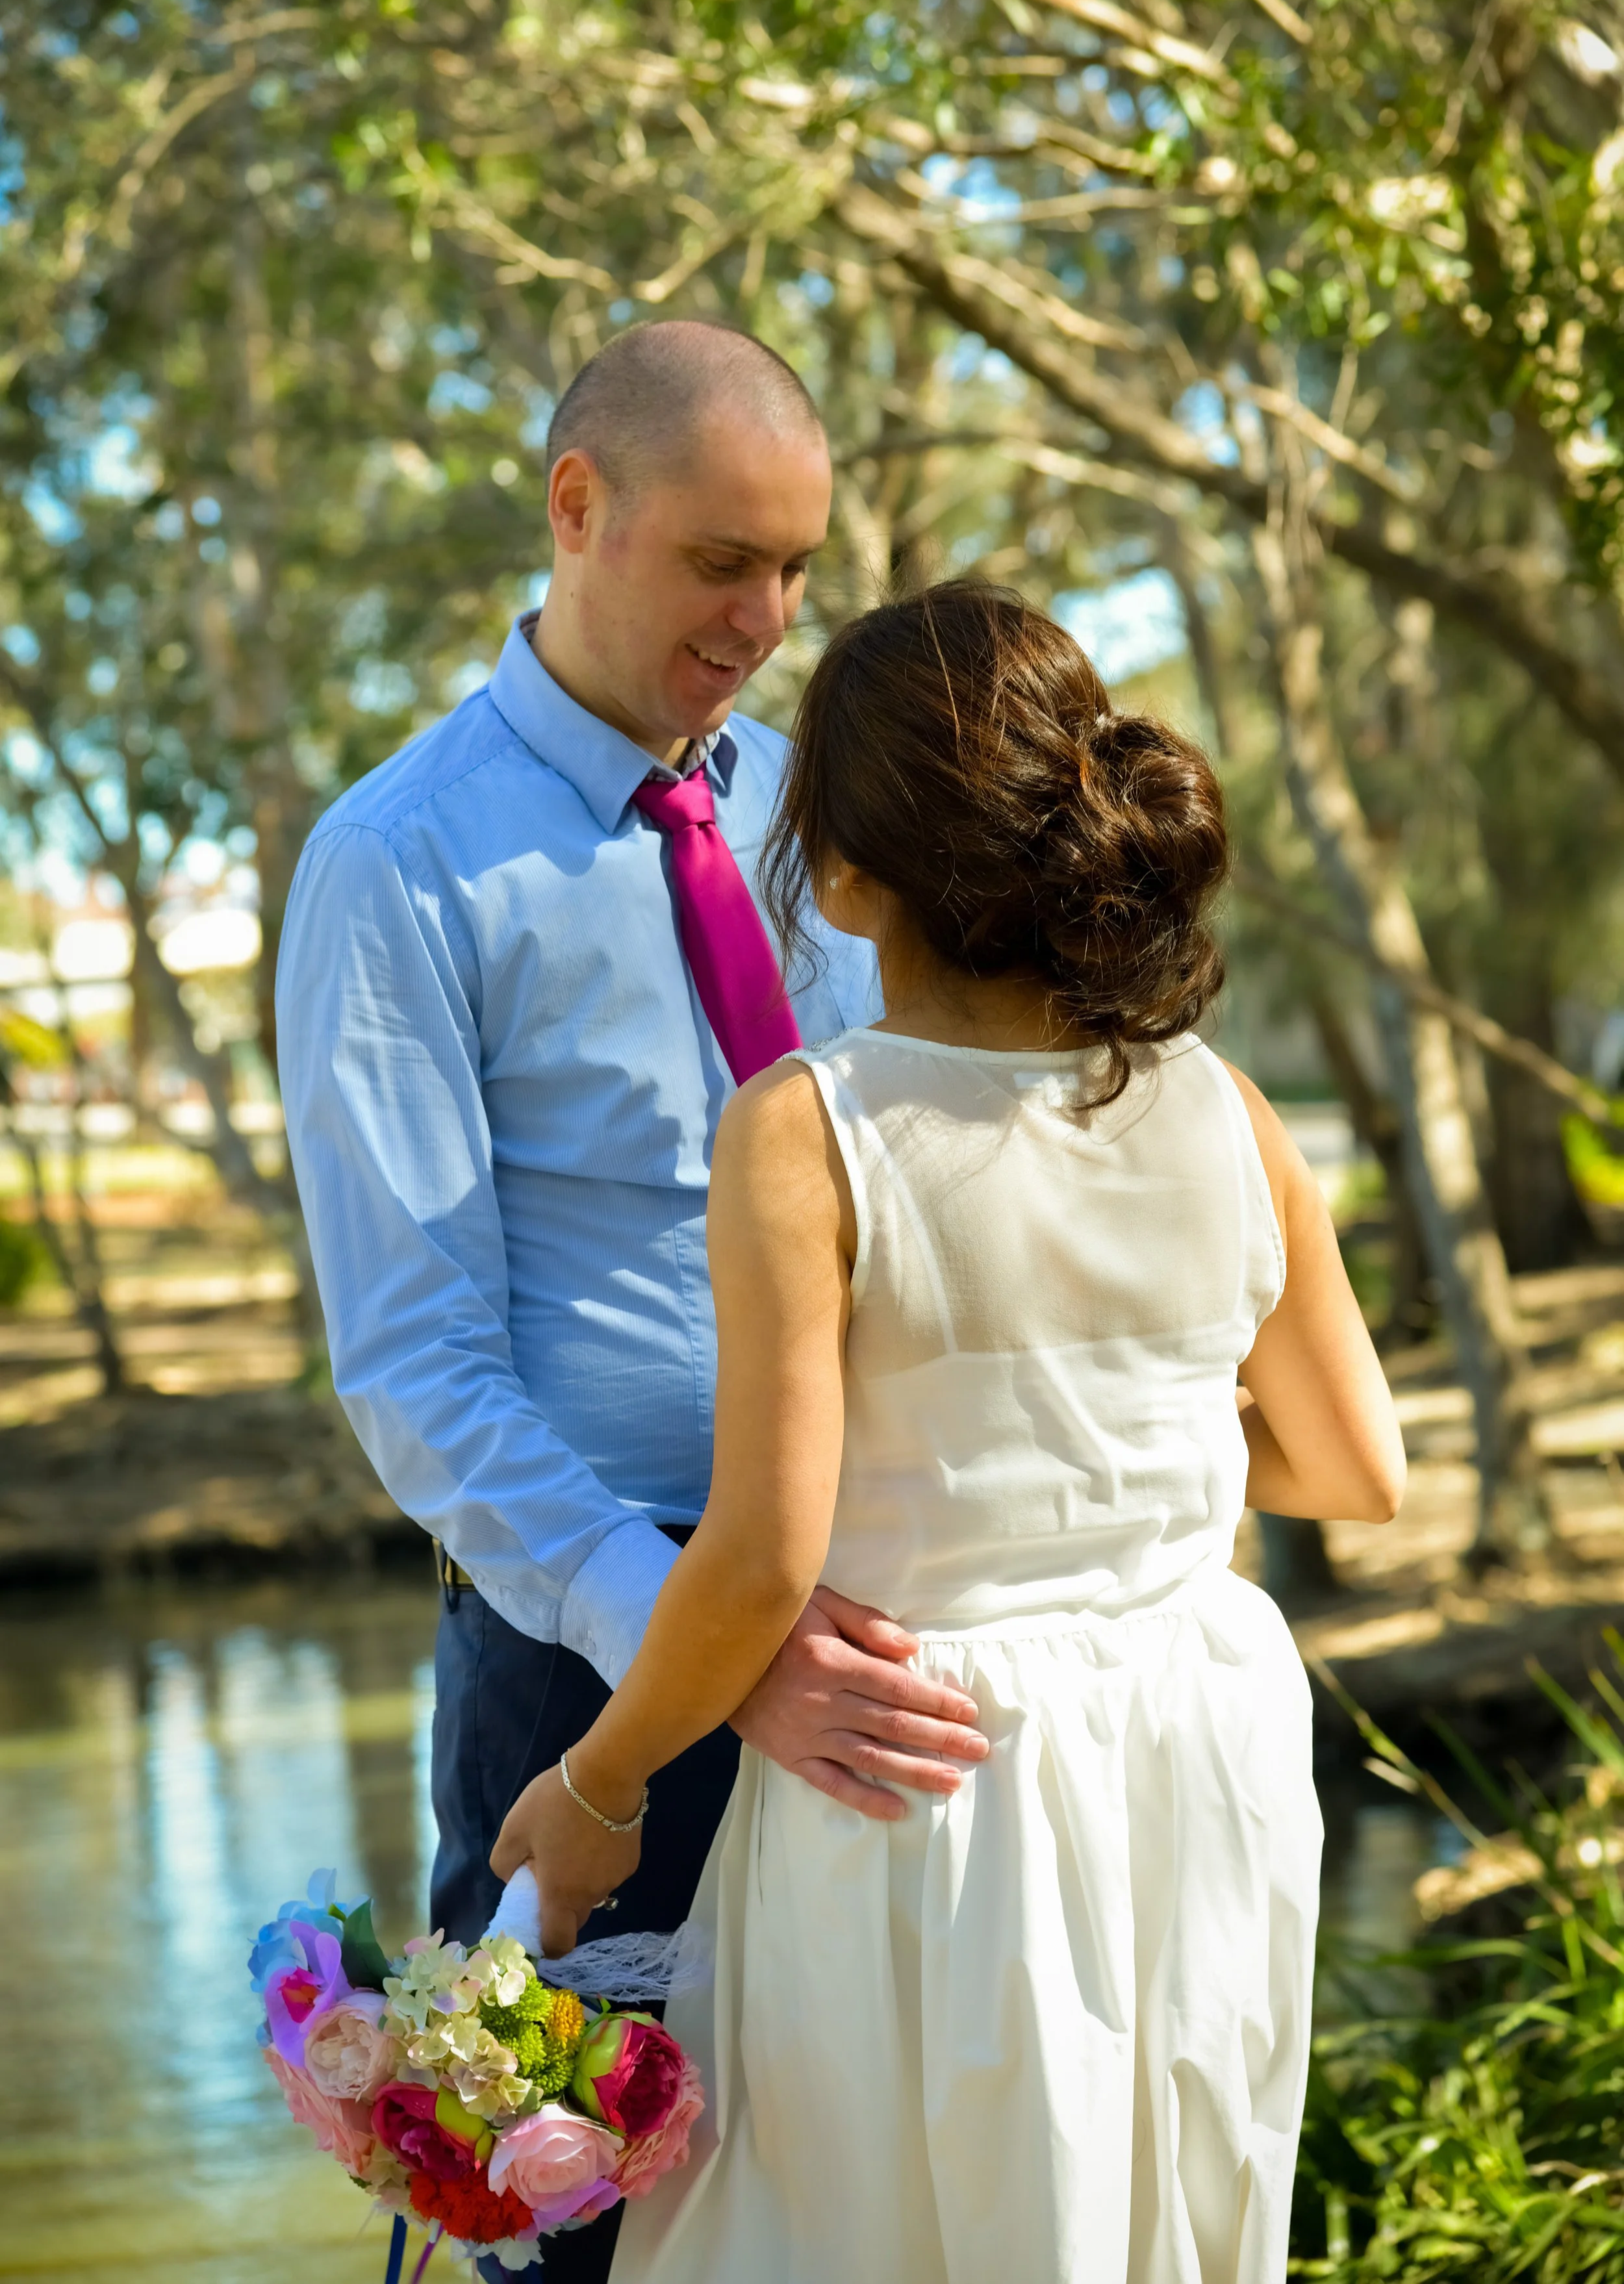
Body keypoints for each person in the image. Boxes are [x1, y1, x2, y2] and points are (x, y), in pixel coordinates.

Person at [496, 581, 1407, 2284]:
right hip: (1195, 1744)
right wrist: (1140, 1472)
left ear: (839, 871)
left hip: (937, 1771)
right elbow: (1359, 1467)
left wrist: (591, 1788)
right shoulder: (1219, 1103)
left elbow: (766, 1550)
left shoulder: (808, 1130)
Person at [275, 324, 992, 2284]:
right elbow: (419, 1364)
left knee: (863, 2220)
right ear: (573, 506)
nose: (765, 619)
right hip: (588, 1656)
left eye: (791, 568)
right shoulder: (395, 864)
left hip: (881, 1621)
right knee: (572, 2244)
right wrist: (699, 1639)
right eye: (717, 563)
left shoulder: (819, 813)